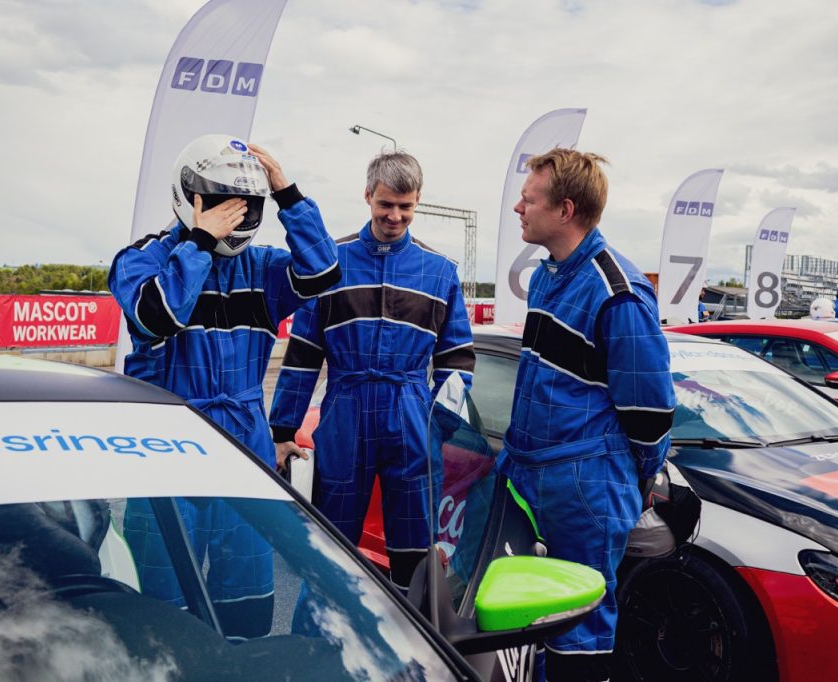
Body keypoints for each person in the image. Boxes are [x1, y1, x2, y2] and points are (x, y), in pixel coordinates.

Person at [108, 134, 340, 638]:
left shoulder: (263, 267)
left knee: (246, 595)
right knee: (164, 606)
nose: (235, 217)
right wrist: (197, 243)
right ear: (190, 198)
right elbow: (158, 316)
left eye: (245, 205)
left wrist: (287, 194)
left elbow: (324, 273)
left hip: (244, 446)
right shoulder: (140, 259)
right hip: (166, 448)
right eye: (222, 203)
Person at [498, 149, 675, 682]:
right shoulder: (547, 277)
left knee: (579, 624)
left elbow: (650, 411)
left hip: (584, 485)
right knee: (527, 612)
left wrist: (639, 476)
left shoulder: (618, 293)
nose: (518, 208)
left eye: (528, 200)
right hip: (528, 470)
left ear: (565, 210)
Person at [269, 151, 474, 592]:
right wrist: (282, 430)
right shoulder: (331, 264)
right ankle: (325, 623)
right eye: (385, 204)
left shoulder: (440, 272)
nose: (395, 216)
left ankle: (412, 628)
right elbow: (303, 354)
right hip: (346, 411)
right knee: (332, 545)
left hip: (412, 415)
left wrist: (440, 425)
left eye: (405, 206)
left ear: (418, 201)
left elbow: (457, 359)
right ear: (367, 196)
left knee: (414, 551)